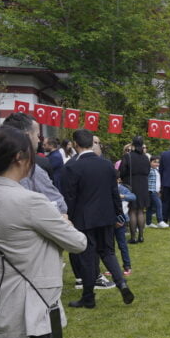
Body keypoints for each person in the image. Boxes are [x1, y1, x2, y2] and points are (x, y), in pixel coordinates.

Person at [0, 126, 87, 338]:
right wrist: (64, 221)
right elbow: (78, 242)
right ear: (20, 157)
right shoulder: (30, 201)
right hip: (28, 309)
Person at [62, 129, 135, 309]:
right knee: (108, 252)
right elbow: (114, 192)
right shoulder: (106, 165)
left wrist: (68, 217)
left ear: (76, 144)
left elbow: (69, 197)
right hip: (106, 216)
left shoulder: (72, 167)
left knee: (87, 257)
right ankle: (121, 284)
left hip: (84, 219)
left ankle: (88, 297)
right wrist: (119, 214)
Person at [119, 136, 150, 244]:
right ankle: (141, 236)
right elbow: (147, 171)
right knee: (141, 211)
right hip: (143, 185)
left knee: (132, 210)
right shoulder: (145, 157)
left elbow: (122, 171)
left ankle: (133, 238)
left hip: (131, 185)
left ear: (132, 144)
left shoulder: (128, 156)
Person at [115, 178, 135, 275]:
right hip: (110, 221)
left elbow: (133, 197)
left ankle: (127, 266)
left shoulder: (122, 189)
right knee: (109, 247)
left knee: (122, 244)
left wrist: (122, 196)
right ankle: (113, 267)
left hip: (120, 221)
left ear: (118, 180)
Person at [146, 156, 168, 228]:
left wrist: (159, 190)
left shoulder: (157, 170)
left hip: (156, 191)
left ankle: (148, 223)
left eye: (158, 162)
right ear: (150, 162)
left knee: (150, 207)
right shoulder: (148, 170)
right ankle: (160, 221)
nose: (157, 164)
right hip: (151, 191)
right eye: (154, 162)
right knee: (159, 205)